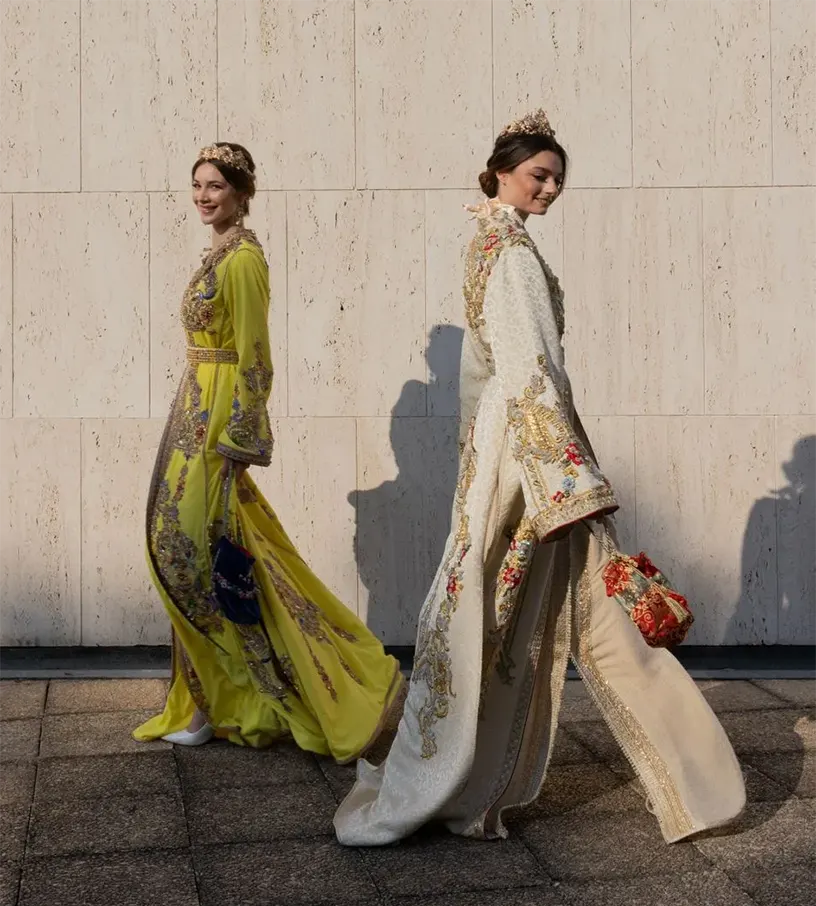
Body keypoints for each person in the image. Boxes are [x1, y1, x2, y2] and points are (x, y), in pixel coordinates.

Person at [333, 110, 746, 844]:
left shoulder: (490, 243)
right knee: (575, 614)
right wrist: (567, 477)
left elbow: (496, 376)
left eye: (557, 179)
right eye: (539, 175)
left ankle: (480, 779)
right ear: (501, 174)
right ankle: (694, 785)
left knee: (529, 617)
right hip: (530, 456)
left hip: (512, 451)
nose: (550, 187)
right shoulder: (511, 253)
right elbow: (531, 370)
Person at [134, 143, 404, 759]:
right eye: (197, 185)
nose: (203, 196)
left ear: (242, 192)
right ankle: (209, 700)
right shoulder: (218, 257)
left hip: (215, 423)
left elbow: (256, 357)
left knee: (191, 554)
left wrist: (238, 439)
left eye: (216, 186)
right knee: (186, 551)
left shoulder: (243, 261)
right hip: (192, 410)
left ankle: (232, 701)